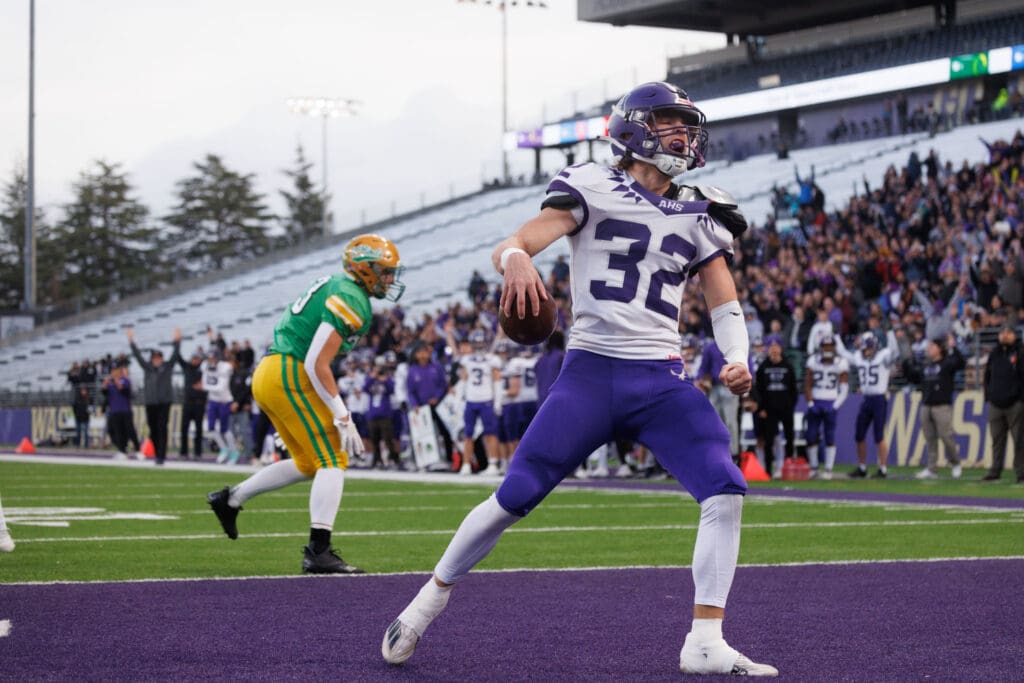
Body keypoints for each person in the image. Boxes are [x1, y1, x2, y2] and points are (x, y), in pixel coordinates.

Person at [381, 82, 776, 676]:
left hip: (662, 377)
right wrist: (515, 258)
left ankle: (704, 639)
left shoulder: (702, 210)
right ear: (635, 129)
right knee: (515, 495)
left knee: (724, 487)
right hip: (589, 371)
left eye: (685, 125)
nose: (682, 135)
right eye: (670, 123)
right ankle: (425, 602)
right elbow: (518, 242)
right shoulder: (590, 183)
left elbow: (725, 304)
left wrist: (736, 355)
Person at [207, 233, 405, 574]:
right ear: (366, 269)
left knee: (307, 462)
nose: (390, 279)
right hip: (290, 372)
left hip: (272, 370)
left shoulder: (339, 286)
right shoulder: (352, 297)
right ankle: (318, 550)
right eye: (385, 271)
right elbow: (316, 362)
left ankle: (231, 499)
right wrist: (343, 416)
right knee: (333, 459)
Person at [836, 330, 900, 478]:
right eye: (864, 348)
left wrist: (890, 332)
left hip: (879, 399)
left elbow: (895, 351)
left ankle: (883, 469)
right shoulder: (859, 357)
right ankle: (862, 467)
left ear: (875, 347)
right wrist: (836, 336)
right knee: (859, 435)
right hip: (866, 399)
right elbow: (843, 353)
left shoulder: (883, 356)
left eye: (869, 348)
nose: (866, 351)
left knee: (879, 436)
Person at [903, 333, 965, 479]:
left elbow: (961, 363)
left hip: (942, 405)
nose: (929, 349)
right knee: (930, 438)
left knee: (946, 436)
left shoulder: (947, 363)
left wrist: (954, 347)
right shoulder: (926, 365)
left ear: (940, 349)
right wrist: (907, 362)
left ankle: (955, 462)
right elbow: (913, 378)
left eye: (932, 346)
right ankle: (932, 468)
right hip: (926, 404)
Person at [128, 326, 182, 466]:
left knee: (162, 427)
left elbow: (175, 355)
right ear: (152, 359)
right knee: (153, 429)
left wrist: (177, 341)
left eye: (159, 358)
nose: (157, 360)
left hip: (164, 402)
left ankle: (161, 456)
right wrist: (131, 341)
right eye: (155, 358)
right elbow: (138, 356)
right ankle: (157, 452)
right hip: (151, 402)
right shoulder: (148, 368)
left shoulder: (167, 367)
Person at [981, 325, 1024, 482]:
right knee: (996, 440)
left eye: (1008, 333)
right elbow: (987, 376)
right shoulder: (995, 353)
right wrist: (989, 396)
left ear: (1014, 335)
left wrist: (1021, 399)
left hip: (1015, 404)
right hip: (996, 403)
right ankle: (995, 471)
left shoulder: (1020, 351)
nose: (1004, 336)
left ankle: (1021, 473)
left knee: (1019, 440)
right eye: (1002, 333)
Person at [803, 334, 849, 479]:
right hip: (816, 400)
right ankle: (814, 467)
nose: (827, 349)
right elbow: (808, 384)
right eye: (825, 346)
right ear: (821, 347)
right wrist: (810, 403)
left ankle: (828, 469)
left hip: (831, 401)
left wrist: (835, 406)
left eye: (830, 346)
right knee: (811, 435)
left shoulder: (841, 363)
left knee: (829, 436)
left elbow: (844, 388)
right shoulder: (813, 361)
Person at [753, 335, 798, 478]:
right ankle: (768, 470)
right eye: (771, 347)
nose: (774, 350)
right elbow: (758, 390)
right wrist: (761, 408)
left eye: (776, 346)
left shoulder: (787, 366)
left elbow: (793, 388)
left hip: (786, 408)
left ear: (780, 348)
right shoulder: (763, 367)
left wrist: (791, 405)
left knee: (789, 438)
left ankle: (788, 468)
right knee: (769, 440)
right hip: (769, 409)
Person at [406, 342, 454, 466]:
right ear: (415, 355)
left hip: (438, 405)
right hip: (421, 408)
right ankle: (423, 461)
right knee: (422, 434)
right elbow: (410, 391)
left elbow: (442, 384)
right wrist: (414, 404)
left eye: (425, 352)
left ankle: (448, 459)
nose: (422, 355)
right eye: (420, 353)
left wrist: (436, 398)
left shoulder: (436, 367)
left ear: (429, 354)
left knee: (445, 432)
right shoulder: (412, 371)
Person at [202, 348, 240, 464]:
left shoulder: (225, 367)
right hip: (213, 400)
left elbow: (221, 387)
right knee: (211, 428)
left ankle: (234, 451)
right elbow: (205, 383)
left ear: (218, 358)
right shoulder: (205, 365)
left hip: (224, 400)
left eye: (213, 358)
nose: (211, 360)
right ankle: (224, 448)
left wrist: (205, 387)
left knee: (224, 429)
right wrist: (206, 386)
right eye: (209, 358)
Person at [102, 363, 143, 460]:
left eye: (115, 370)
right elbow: (105, 394)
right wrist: (105, 384)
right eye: (112, 370)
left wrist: (116, 381)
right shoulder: (110, 383)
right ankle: (122, 450)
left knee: (130, 430)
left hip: (125, 410)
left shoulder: (125, 380)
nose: (114, 372)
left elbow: (124, 391)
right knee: (117, 432)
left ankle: (138, 450)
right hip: (114, 411)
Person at [177, 350, 208, 460]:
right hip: (188, 403)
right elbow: (177, 356)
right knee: (184, 428)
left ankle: (198, 453)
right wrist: (177, 343)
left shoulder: (204, 370)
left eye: (197, 359)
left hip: (199, 404)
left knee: (198, 429)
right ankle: (183, 452)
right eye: (194, 358)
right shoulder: (187, 367)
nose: (195, 360)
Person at [72, 384, 92, 449]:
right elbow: (74, 407)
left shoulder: (89, 399)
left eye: (85, 390)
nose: (83, 392)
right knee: (78, 432)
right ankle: (78, 445)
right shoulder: (77, 399)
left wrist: (88, 414)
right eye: (82, 390)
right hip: (78, 418)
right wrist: (76, 414)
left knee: (86, 433)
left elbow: (90, 408)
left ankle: (86, 446)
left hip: (86, 418)